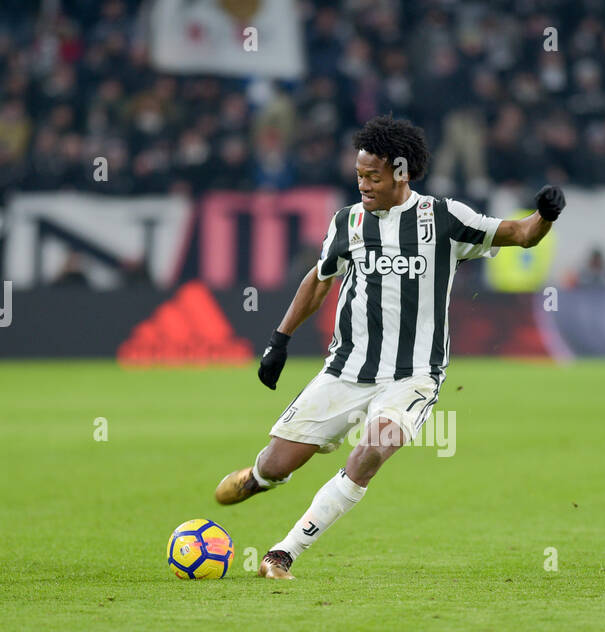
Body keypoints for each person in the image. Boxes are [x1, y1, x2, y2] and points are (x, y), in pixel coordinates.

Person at [212, 114, 566, 579]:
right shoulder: (348, 222)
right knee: (276, 464)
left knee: (373, 449)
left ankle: (283, 553)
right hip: (345, 369)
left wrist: (545, 215)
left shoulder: (443, 217)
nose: (363, 184)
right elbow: (318, 282)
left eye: (372, 176)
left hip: (413, 375)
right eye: (359, 175)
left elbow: (519, 235)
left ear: (400, 172)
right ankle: (262, 477)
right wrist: (279, 339)